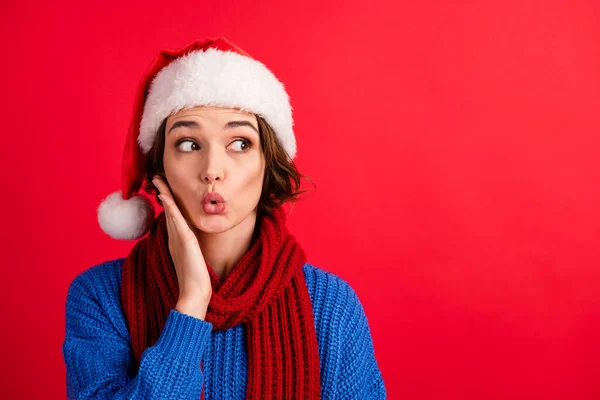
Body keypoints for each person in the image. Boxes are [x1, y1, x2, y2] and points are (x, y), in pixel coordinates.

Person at [62, 36, 386, 399]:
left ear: (269, 164)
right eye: (188, 144)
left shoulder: (330, 305)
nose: (212, 169)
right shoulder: (102, 296)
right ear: (160, 168)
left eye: (240, 144)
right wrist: (191, 305)